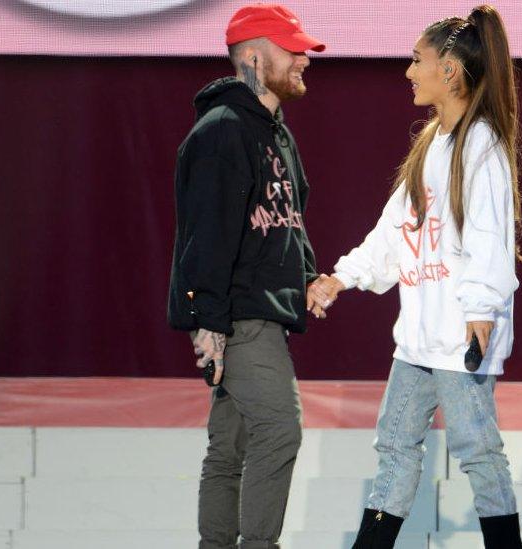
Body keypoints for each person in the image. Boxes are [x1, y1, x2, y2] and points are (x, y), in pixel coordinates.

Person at [308, 5, 522, 548]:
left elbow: (488, 237)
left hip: (459, 340)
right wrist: (344, 276)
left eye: (417, 60)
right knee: (395, 446)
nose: (408, 72)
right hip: (418, 341)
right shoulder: (431, 144)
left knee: (478, 451)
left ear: (449, 70)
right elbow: (394, 229)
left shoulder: (482, 148)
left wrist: (480, 311)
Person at [166, 5, 330, 548]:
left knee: (230, 450)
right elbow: (205, 236)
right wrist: (207, 321)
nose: (304, 59)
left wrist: (307, 276)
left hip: (262, 314)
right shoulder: (223, 131)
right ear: (256, 58)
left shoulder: (275, 134)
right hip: (241, 317)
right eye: (293, 49)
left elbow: (290, 220)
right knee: (280, 431)